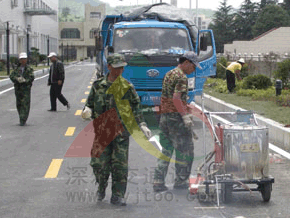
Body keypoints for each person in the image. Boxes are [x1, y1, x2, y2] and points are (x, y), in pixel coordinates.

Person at [82, 54, 151, 206]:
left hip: (121, 133)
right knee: (99, 164)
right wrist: (86, 110)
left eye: (122, 67)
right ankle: (101, 186)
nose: (120, 70)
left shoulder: (127, 87)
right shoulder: (98, 85)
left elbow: (136, 107)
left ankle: (118, 195)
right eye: (117, 67)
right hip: (102, 134)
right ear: (109, 67)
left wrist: (142, 124)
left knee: (120, 166)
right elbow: (90, 104)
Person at [153, 51, 201, 192]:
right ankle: (181, 181)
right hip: (176, 118)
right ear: (186, 62)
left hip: (165, 117)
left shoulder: (170, 73)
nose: (193, 70)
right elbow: (176, 98)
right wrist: (185, 116)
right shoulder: (181, 77)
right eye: (193, 66)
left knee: (166, 150)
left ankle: (158, 181)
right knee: (185, 151)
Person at [9, 52, 34, 126]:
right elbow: (11, 76)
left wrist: (25, 81)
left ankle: (23, 119)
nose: (23, 61)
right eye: (22, 59)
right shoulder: (17, 69)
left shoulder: (29, 69)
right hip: (18, 88)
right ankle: (21, 116)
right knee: (19, 104)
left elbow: (31, 77)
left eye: (24, 59)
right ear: (19, 60)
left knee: (25, 104)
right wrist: (17, 79)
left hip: (25, 88)